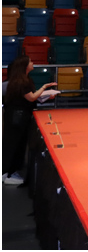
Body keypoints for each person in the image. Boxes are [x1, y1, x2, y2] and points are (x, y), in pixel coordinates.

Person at [3, 56, 58, 185]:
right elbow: (31, 97)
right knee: (14, 144)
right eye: (30, 62)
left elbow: (30, 96)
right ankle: (7, 172)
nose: (32, 63)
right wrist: (44, 88)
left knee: (17, 144)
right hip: (18, 116)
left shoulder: (22, 80)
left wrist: (42, 95)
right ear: (25, 66)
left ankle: (10, 171)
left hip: (18, 115)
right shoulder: (21, 82)